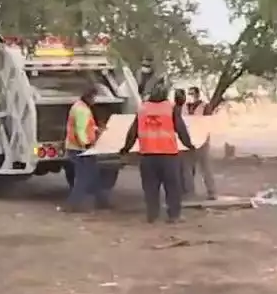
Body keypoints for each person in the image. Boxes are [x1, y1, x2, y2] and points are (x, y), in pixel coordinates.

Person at [119, 81, 196, 223]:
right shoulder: (170, 108)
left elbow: (132, 132)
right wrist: (189, 145)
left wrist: (125, 148)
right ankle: (174, 216)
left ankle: (152, 216)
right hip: (168, 156)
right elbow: (181, 129)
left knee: (150, 188)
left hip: (147, 156)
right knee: (173, 187)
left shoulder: (143, 109)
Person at [61, 83, 107, 213]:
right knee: (84, 177)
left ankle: (101, 201)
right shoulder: (82, 110)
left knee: (93, 174)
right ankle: (72, 204)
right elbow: (80, 130)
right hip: (80, 149)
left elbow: (87, 126)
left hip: (76, 147)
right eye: (94, 97)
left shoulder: (79, 106)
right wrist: (86, 145)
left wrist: (97, 130)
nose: (95, 100)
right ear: (89, 96)